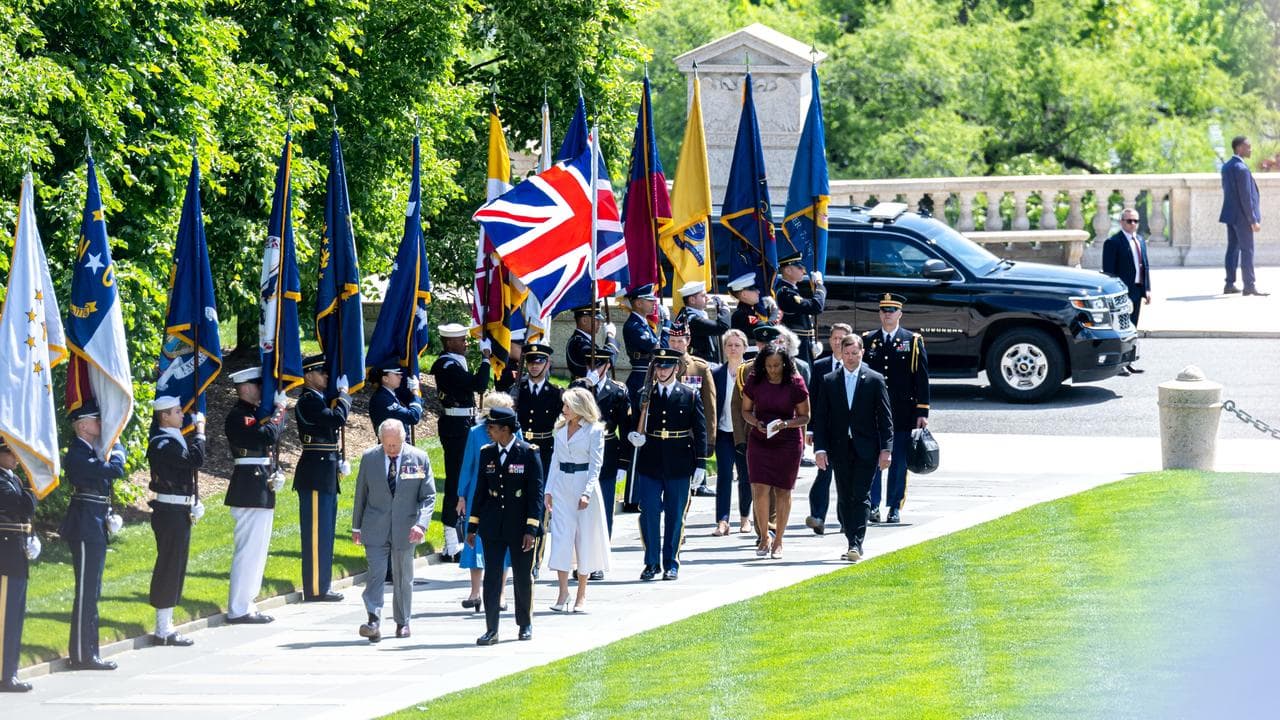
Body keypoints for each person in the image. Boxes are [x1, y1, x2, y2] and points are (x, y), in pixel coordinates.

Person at [352, 419, 436, 642]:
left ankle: (402, 622)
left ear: (403, 439)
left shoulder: (419, 458)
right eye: (386, 444)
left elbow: (428, 496)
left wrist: (421, 524)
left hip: (406, 528)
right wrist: (356, 527)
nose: (391, 449)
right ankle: (373, 620)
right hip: (375, 526)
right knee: (376, 573)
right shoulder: (370, 458)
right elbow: (361, 494)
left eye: (395, 445)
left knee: (403, 576)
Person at [811, 335, 893, 563]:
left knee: (861, 494)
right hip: (839, 448)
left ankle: (856, 543)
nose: (850, 358)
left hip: (866, 447)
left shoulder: (874, 379)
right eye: (846, 353)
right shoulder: (830, 380)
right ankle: (851, 538)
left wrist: (886, 449)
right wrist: (820, 449)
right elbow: (821, 418)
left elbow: (885, 418)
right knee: (845, 495)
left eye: (854, 353)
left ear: (862, 353)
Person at [627, 348, 707, 581]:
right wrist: (634, 435)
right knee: (649, 512)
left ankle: (671, 563)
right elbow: (634, 424)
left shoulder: (689, 395)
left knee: (675, 515)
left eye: (667, 367)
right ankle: (651, 562)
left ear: (676, 368)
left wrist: (701, 463)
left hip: (679, 461)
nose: (662, 371)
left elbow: (700, 430)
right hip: (650, 461)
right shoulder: (645, 394)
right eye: (659, 367)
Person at [467, 406, 545, 645]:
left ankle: (525, 623)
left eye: (492, 427)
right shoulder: (487, 453)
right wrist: (472, 525)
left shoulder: (528, 453)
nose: (488, 431)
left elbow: (536, 495)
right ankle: (492, 629)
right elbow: (480, 490)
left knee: (522, 577)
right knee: (491, 577)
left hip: (520, 526)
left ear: (506, 429)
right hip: (493, 526)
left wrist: (531, 529)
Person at [60, 401, 126, 669]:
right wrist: (117, 444)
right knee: (87, 591)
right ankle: (82, 654)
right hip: (85, 524)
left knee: (93, 590)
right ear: (83, 426)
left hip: (94, 522)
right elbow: (115, 470)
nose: (102, 424)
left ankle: (88, 652)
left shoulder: (91, 451)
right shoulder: (77, 454)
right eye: (96, 420)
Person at [223, 367, 286, 625]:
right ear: (246, 388)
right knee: (248, 551)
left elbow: (271, 435)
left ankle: (247, 603)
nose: (263, 390)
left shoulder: (254, 414)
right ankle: (238, 608)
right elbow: (266, 435)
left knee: (258, 551)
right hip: (249, 487)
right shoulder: (238, 416)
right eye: (260, 385)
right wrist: (280, 411)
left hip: (259, 485)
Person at [862, 294, 930, 524]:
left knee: (899, 461)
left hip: (902, 411)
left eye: (892, 311)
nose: (887, 315)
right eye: (884, 310)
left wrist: (922, 411)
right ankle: (872, 505)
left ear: (900, 313)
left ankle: (894, 506)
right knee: (873, 459)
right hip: (873, 410)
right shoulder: (868, 339)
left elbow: (921, 378)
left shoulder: (912, 340)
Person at [740, 345, 810, 559]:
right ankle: (764, 536)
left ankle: (778, 539)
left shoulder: (795, 382)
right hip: (760, 440)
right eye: (769, 365)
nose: (772, 369)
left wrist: (786, 423)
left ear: (785, 364)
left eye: (776, 365)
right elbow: (745, 410)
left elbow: (805, 416)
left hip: (787, 441)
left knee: (783, 490)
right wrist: (756, 423)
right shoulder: (755, 380)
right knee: (759, 488)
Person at [147, 396, 207, 646]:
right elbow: (195, 460)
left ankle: (167, 624)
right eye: (177, 412)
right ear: (164, 416)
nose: (183, 415)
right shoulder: (162, 443)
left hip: (178, 510)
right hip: (169, 511)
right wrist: (200, 432)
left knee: (177, 566)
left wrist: (191, 502)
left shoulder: (173, 439)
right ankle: (163, 629)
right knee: (170, 566)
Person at [545, 387, 610, 613]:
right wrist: (548, 490)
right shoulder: (560, 429)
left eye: (568, 405)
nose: (564, 409)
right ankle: (563, 592)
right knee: (561, 538)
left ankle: (582, 594)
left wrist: (587, 492)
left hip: (583, 484)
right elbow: (554, 461)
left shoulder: (594, 430)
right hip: (562, 485)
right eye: (564, 405)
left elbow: (596, 465)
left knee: (584, 540)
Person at [431, 322, 492, 562]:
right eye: (461, 340)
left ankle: (462, 532)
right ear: (449, 343)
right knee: (456, 479)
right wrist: (486, 359)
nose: (466, 343)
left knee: (468, 478)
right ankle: (450, 542)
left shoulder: (456, 362)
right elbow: (479, 384)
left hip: (464, 424)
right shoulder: (446, 366)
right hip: (456, 429)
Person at [293, 354, 351, 602]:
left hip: (324, 470)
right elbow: (337, 418)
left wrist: (338, 459)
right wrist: (345, 396)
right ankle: (316, 588)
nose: (326, 376)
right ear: (308, 375)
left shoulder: (318, 400)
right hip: (315, 473)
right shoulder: (308, 401)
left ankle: (322, 584)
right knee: (316, 534)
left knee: (325, 533)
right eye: (321, 372)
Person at [456, 392, 516, 612]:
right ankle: (475, 593)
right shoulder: (475, 433)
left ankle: (500, 594)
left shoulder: (514, 432)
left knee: (503, 542)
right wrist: (461, 495)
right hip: (478, 494)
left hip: (506, 493)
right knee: (475, 541)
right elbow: (468, 465)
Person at [568, 345, 631, 547]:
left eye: (598, 364)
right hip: (581, 451)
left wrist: (623, 463)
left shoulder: (617, 391)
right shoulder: (578, 388)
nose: (593, 368)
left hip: (607, 451)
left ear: (608, 365)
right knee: (579, 507)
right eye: (589, 363)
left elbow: (625, 428)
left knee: (604, 506)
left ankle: (601, 550)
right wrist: (586, 386)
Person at [805, 323, 850, 535]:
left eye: (842, 338)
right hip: (826, 430)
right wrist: (811, 429)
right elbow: (812, 399)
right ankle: (818, 516)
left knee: (845, 477)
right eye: (835, 338)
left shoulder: (858, 366)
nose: (838, 342)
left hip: (848, 432)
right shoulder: (820, 366)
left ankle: (845, 519)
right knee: (823, 473)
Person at [0, 438, 36, 692]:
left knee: (15, 615)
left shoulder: (13, 479)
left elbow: (27, 513)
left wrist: (32, 536)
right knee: (6, 616)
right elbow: (23, 505)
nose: (16, 458)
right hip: (5, 556)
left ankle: (10, 671)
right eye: (11, 453)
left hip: (16, 552)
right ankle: (4, 675)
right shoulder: (2, 482)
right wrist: (32, 483)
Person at [668, 322, 716, 497]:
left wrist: (709, 438)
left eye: (680, 341)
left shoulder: (699, 367)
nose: (675, 345)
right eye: (672, 341)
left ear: (688, 341)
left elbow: (709, 406)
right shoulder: (660, 364)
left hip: (691, 434)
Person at [1102, 208, 1152, 375]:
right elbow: (1109, 272)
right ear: (1122, 222)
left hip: (1137, 290)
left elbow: (1145, 266)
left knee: (1133, 328)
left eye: (1136, 221)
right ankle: (1119, 364)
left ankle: (1129, 361)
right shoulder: (1113, 242)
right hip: (1122, 293)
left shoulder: (1140, 240)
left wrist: (1147, 289)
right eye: (1129, 221)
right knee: (1120, 329)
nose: (1133, 224)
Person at [711, 330, 751, 536]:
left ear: (745, 348)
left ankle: (745, 518)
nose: (733, 349)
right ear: (724, 348)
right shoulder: (716, 373)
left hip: (745, 433)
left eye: (737, 345)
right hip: (724, 432)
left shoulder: (752, 373)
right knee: (724, 475)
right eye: (729, 345)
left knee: (746, 475)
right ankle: (723, 520)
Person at [1219, 135, 1267, 296]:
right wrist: (1253, 220)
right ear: (1239, 148)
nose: (1251, 149)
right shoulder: (1242, 169)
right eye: (1248, 146)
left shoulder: (1226, 166)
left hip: (1230, 215)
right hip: (1243, 217)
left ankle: (1229, 284)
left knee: (1232, 249)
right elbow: (1246, 197)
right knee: (1247, 250)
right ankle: (1249, 286)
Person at [774, 251, 827, 365]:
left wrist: (811, 343)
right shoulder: (786, 292)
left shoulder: (791, 290)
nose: (803, 271)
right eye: (799, 268)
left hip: (801, 344)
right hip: (794, 346)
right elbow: (816, 306)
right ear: (788, 270)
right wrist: (819, 285)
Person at [676, 281, 730, 364]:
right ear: (692, 300)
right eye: (703, 296)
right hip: (699, 363)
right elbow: (722, 327)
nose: (707, 298)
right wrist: (724, 308)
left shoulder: (688, 314)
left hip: (702, 360)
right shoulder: (692, 319)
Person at [368, 366, 423, 436]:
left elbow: (416, 411)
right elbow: (413, 417)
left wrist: (413, 394)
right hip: (390, 441)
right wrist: (415, 391)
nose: (401, 376)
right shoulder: (382, 399)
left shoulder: (390, 394)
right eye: (396, 374)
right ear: (385, 379)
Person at [566, 305, 615, 379]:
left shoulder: (584, 340)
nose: (599, 323)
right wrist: (610, 336)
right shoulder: (579, 343)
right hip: (585, 385)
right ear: (584, 321)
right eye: (596, 319)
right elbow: (605, 361)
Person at [727, 272, 778, 341]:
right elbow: (766, 329)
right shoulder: (743, 315)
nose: (758, 292)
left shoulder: (749, 310)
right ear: (744, 294)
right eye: (753, 289)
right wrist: (774, 309)